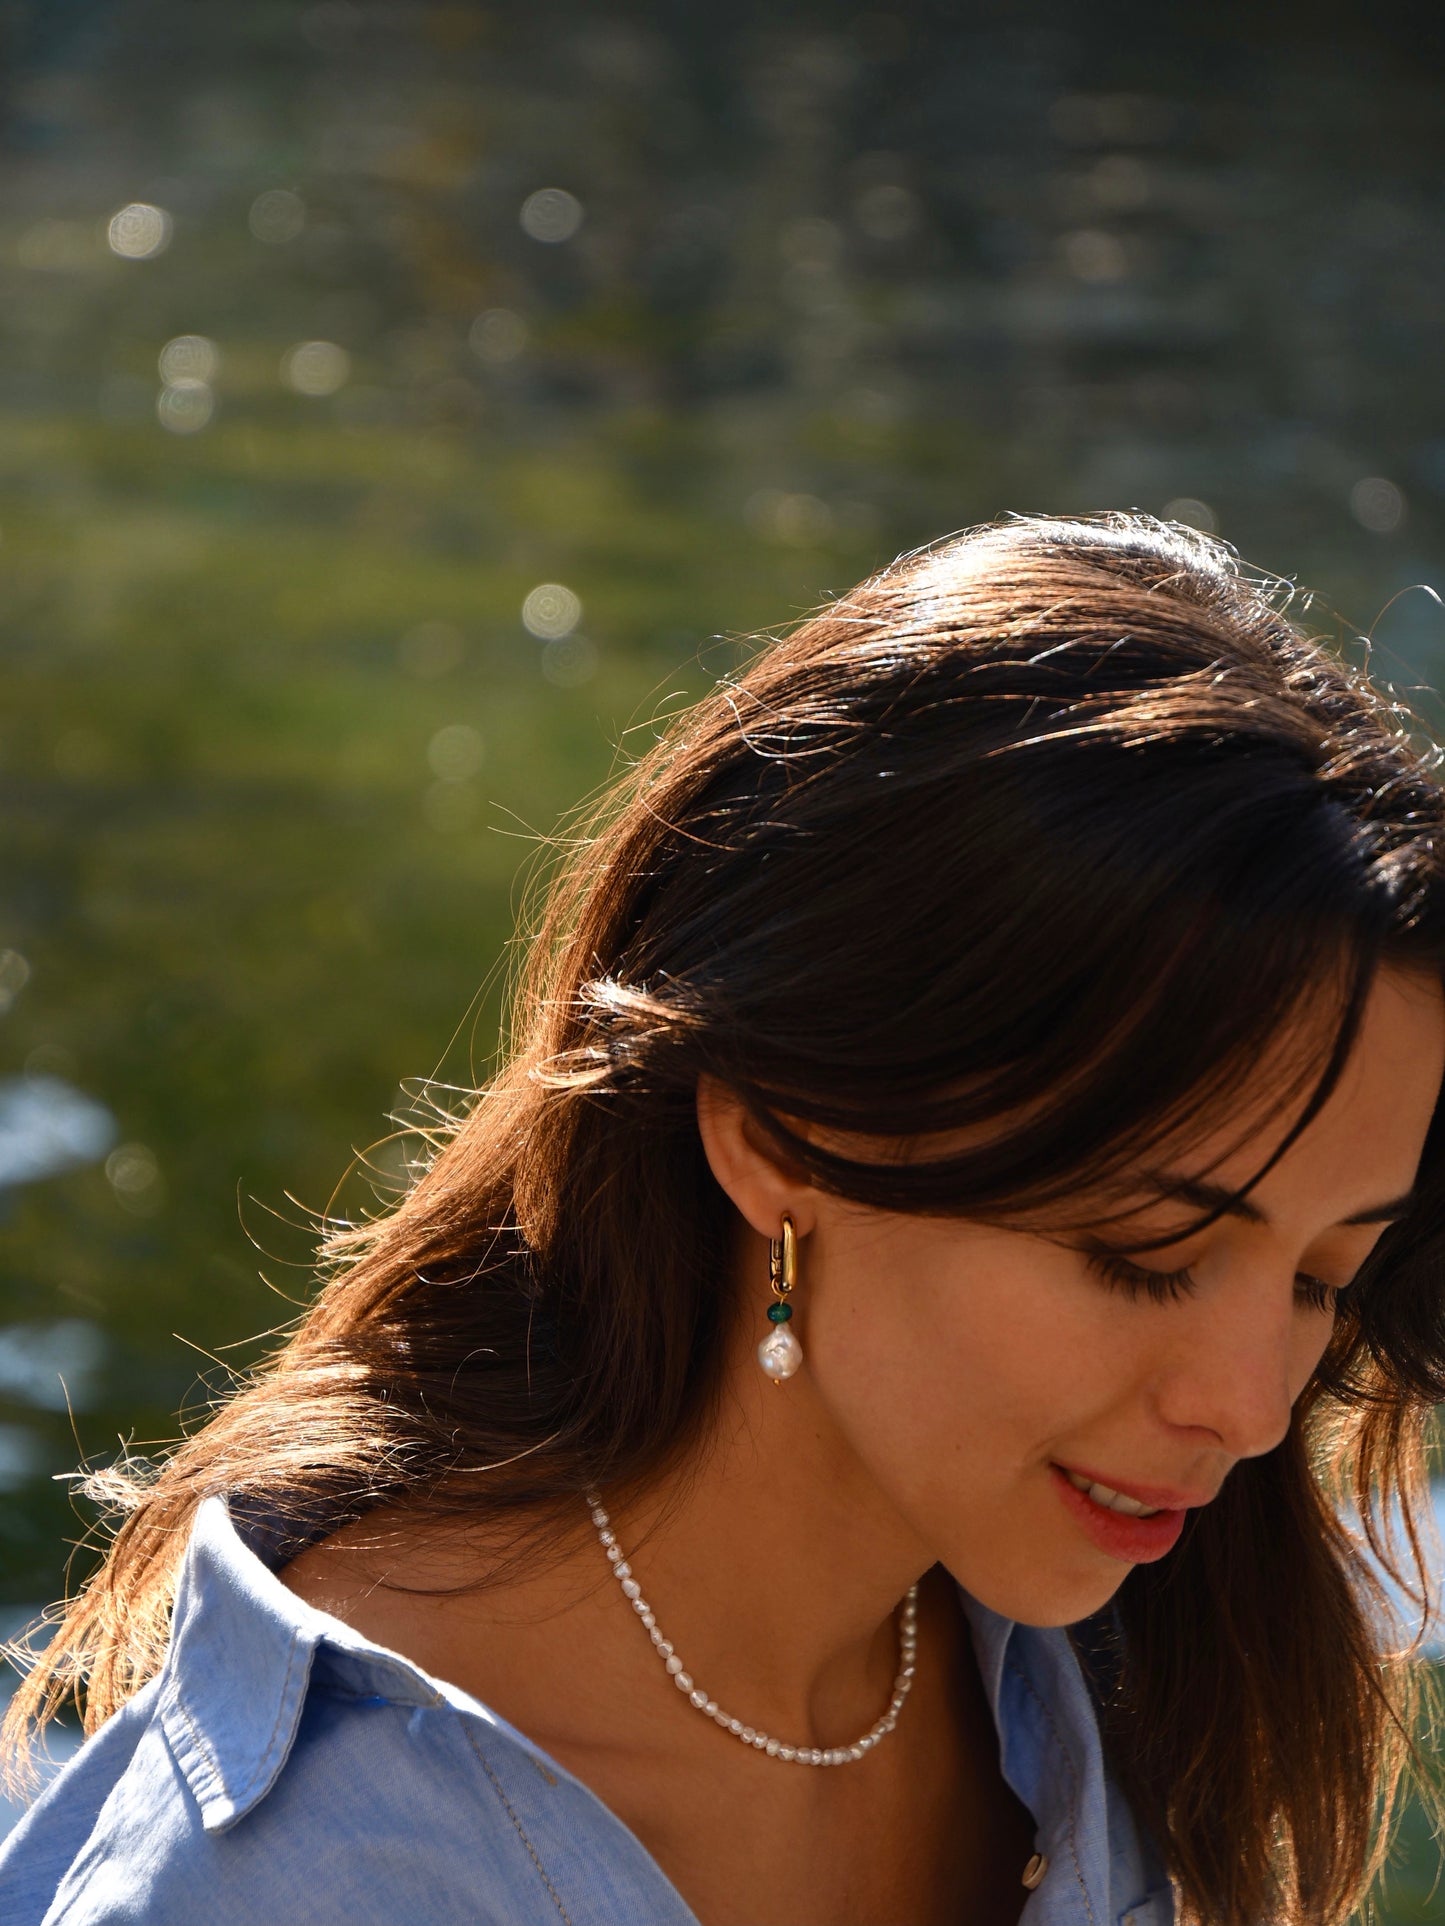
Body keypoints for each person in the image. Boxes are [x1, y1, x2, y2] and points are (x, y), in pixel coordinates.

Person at [4, 513, 1445, 1926]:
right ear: (775, 1134)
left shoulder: (1114, 1665)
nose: (1251, 1406)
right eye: (1144, 1256)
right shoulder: (306, 1871)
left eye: (1323, 1274)